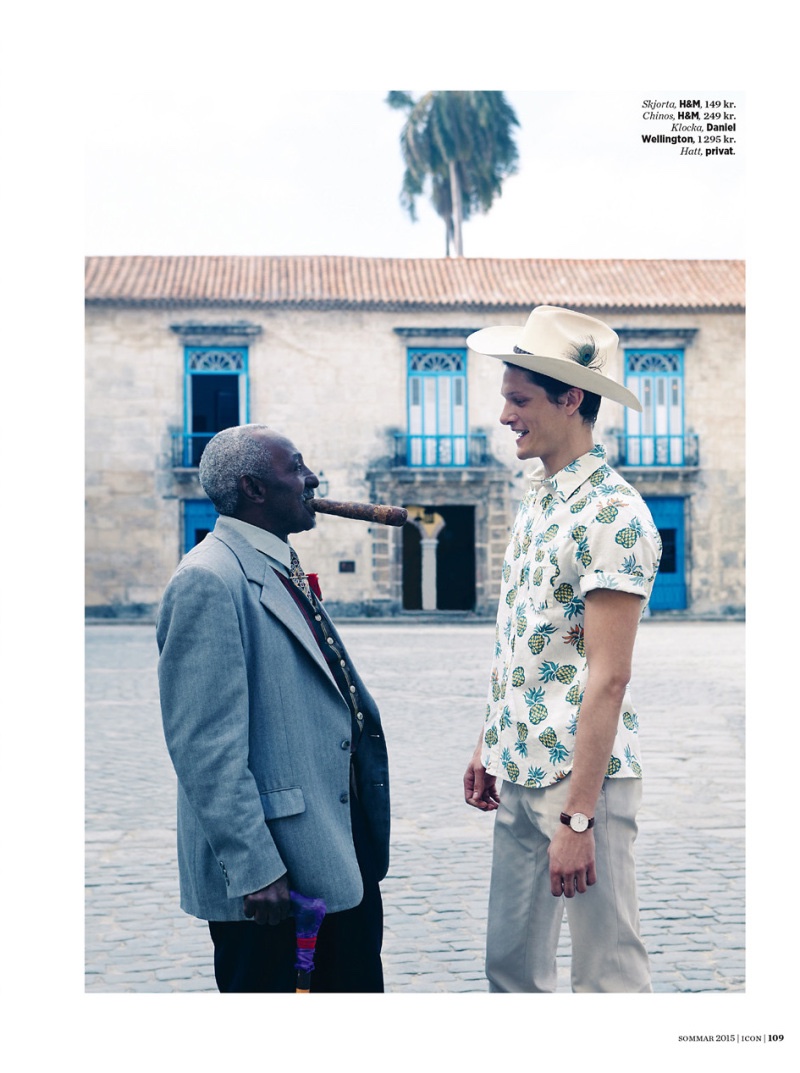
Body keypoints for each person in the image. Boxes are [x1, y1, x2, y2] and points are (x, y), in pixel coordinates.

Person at [463, 306, 661, 993]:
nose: (505, 415)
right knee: (511, 969)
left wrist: (579, 816)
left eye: (519, 399)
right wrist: (490, 739)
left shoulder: (615, 515)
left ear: (570, 397)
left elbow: (608, 676)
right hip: (518, 766)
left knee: (608, 977)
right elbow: (524, 637)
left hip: (584, 784)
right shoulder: (541, 500)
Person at [156, 424, 390, 992]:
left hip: (331, 849)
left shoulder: (275, 563)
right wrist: (256, 868)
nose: (312, 479)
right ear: (254, 488)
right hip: (275, 877)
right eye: (297, 467)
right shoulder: (208, 580)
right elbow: (205, 747)